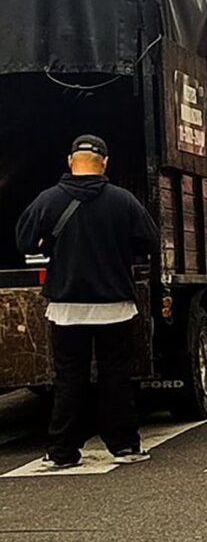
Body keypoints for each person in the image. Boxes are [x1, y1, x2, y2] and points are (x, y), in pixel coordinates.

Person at [15, 134, 161, 470]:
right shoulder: (123, 201)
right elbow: (149, 241)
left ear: (70, 161)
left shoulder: (48, 200)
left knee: (69, 379)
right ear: (105, 163)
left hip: (67, 307)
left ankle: (63, 450)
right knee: (116, 377)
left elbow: (23, 240)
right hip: (115, 306)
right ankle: (124, 445)